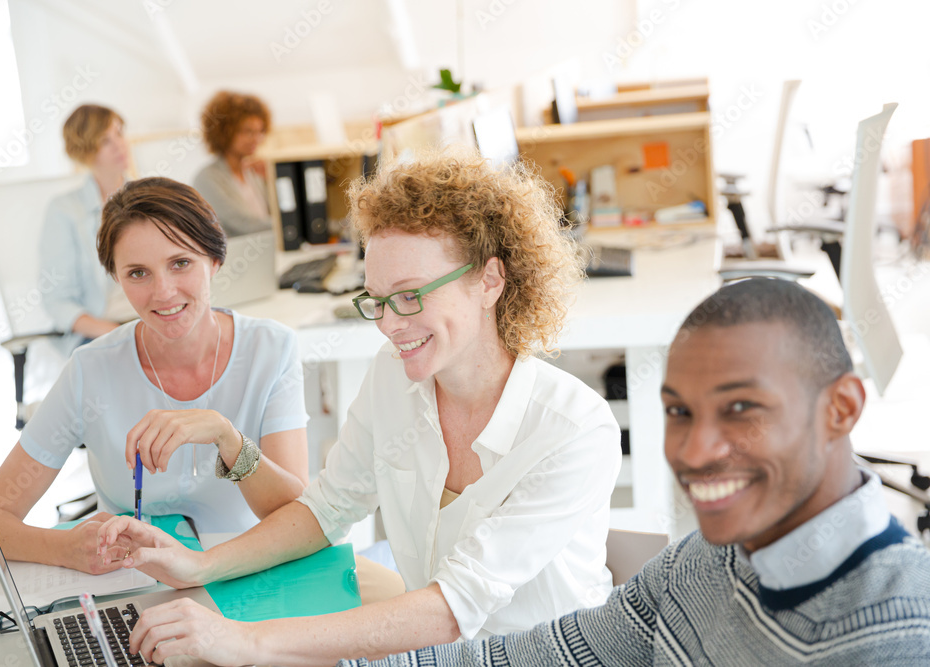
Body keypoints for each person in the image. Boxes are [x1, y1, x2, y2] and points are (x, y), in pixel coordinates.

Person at [97, 148, 623, 666]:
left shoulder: (575, 431)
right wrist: (199, 567)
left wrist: (245, 641)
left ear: (489, 281)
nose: (391, 325)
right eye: (376, 299)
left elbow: (453, 607)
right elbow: (326, 510)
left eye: (411, 295)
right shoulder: (394, 375)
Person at [340, 278, 930, 667]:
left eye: (742, 409)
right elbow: (545, 653)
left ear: (842, 408)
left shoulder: (902, 635)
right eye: (679, 412)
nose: (696, 451)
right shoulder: (705, 560)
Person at [0, 178, 310, 575]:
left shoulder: (272, 350)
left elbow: (296, 514)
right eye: (138, 273)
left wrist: (225, 437)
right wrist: (64, 547)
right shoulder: (89, 371)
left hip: (246, 574)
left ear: (214, 261)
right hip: (135, 586)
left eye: (180, 263)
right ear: (116, 278)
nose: (163, 292)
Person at [40, 104, 133, 352]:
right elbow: (58, 301)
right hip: (102, 332)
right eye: (105, 141)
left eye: (119, 134)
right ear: (86, 151)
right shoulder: (64, 210)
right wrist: (116, 333)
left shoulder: (149, 197)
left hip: (149, 320)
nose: (119, 145)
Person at [193, 90, 273, 237]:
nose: (256, 139)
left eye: (259, 131)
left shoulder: (254, 173)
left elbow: (277, 212)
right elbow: (240, 223)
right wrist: (288, 226)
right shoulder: (207, 178)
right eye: (248, 131)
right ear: (225, 132)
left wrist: (272, 180)